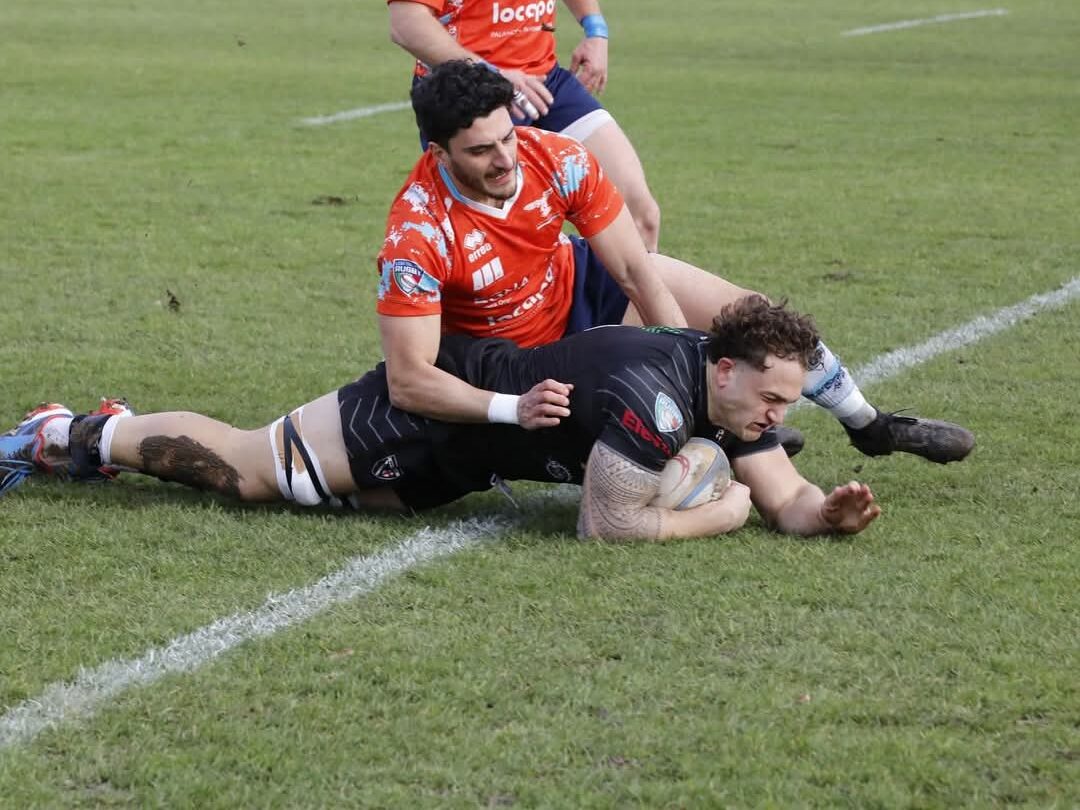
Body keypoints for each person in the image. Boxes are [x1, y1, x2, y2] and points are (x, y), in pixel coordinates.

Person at [376, 60, 974, 464]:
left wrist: (681, 357)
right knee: (661, 439)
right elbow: (409, 376)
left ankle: (868, 424)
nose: (506, 158)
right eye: (482, 150)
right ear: (439, 153)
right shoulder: (416, 231)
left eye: (508, 136)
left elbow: (635, 272)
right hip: (526, 361)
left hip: (577, 288)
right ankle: (725, 438)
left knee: (753, 316)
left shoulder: (555, 158)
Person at [1, 298, 880, 540]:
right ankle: (73, 433)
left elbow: (786, 497)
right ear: (724, 371)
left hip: (458, 467)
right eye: (772, 399)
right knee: (249, 473)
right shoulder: (650, 396)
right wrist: (720, 511)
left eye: (785, 403)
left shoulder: (731, 402)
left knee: (344, 510)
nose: (777, 418)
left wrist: (824, 513)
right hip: (423, 414)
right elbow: (609, 526)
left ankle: (100, 434)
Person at [386, 0, 664, 251]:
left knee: (641, 217)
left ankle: (638, 294)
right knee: (494, 248)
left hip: (546, 82)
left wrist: (596, 30)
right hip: (471, 97)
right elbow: (406, 23)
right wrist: (491, 73)